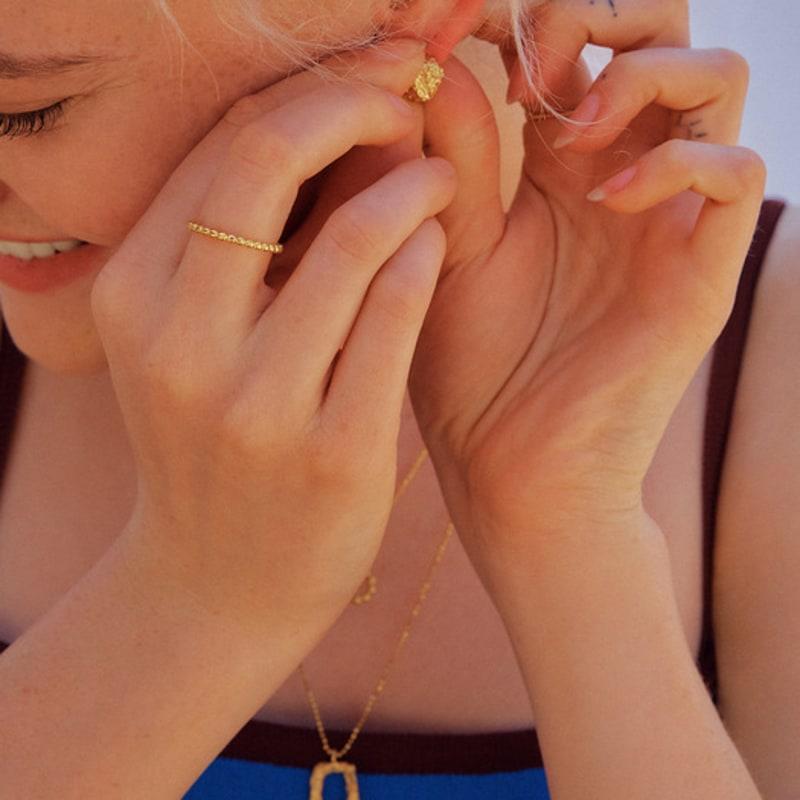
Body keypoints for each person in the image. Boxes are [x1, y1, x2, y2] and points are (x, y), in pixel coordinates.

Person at [0, 0, 795, 797]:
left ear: (420, 20)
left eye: (24, 113)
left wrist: (568, 517)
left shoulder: (771, 355)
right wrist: (195, 598)